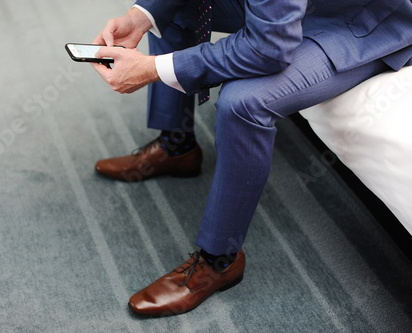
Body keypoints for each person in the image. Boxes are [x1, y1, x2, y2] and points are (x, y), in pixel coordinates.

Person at [91, 0, 412, 317]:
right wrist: (141, 15)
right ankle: (178, 146)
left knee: (243, 103)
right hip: (287, 10)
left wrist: (152, 69)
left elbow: (268, 47)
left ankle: (220, 261)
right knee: (171, 11)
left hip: (364, 21)